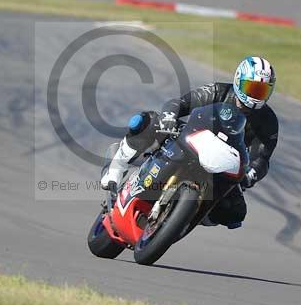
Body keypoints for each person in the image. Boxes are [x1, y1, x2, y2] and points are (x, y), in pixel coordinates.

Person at [101, 56, 279, 229]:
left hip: (222, 164)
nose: (255, 95)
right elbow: (181, 103)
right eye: (251, 88)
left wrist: (251, 174)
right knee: (148, 121)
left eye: (262, 91)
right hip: (192, 139)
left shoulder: (268, 121)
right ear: (238, 81)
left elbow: (262, 158)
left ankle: (186, 218)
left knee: (235, 213)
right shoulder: (219, 91)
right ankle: (116, 167)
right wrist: (169, 116)